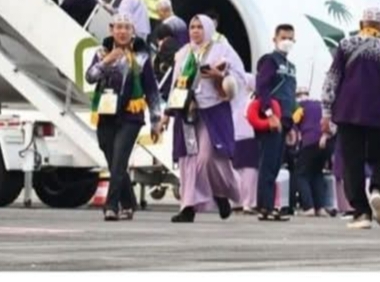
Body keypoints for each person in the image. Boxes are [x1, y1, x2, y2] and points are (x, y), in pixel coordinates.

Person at [321, 7, 380, 230]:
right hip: (378, 114)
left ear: (361, 24)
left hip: (347, 113)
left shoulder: (345, 45)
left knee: (352, 163)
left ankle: (362, 213)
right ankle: (378, 189)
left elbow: (332, 79)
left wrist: (326, 111)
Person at [85, 12, 164, 221]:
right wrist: (106, 62)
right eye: (118, 27)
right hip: (106, 112)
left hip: (131, 114)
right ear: (111, 29)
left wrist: (156, 121)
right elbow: (90, 77)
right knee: (112, 159)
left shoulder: (142, 55)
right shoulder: (102, 52)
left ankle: (111, 206)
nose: (122, 31)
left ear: (133, 32)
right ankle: (128, 202)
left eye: (126, 28)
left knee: (120, 159)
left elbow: (152, 90)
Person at [168, 14, 243, 222]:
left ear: (208, 28)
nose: (195, 31)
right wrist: (167, 113)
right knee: (188, 159)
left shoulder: (222, 50)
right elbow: (175, 82)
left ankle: (221, 193)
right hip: (188, 110)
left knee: (208, 158)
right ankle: (188, 206)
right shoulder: (183, 53)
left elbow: (238, 77)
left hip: (213, 109)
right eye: (192, 27)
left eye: (200, 27)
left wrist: (219, 76)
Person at [253, 24, 299, 221]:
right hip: (271, 119)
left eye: (290, 38)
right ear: (275, 39)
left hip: (285, 121)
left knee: (276, 165)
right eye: (283, 37)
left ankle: (270, 205)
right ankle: (265, 206)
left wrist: (291, 126)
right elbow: (261, 88)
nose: (287, 41)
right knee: (268, 164)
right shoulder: (269, 61)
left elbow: (290, 97)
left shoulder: (291, 67)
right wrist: (270, 114)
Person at [293, 87, 333, 218]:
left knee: (301, 174)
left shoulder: (299, 106)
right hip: (325, 142)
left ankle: (308, 207)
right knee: (317, 174)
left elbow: (295, 123)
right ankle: (320, 207)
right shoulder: (320, 105)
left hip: (309, 142)